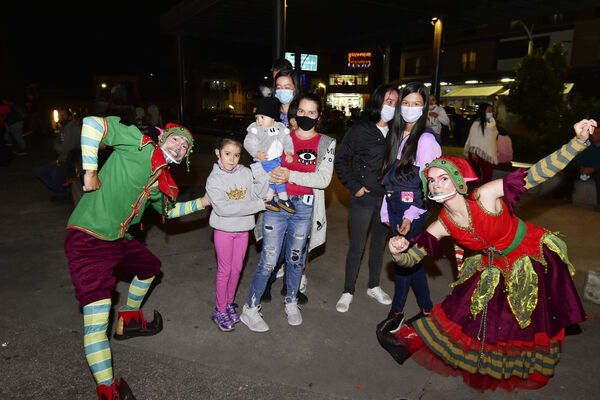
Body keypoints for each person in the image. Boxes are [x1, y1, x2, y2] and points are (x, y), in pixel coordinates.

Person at [377, 118, 595, 392]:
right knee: (477, 313)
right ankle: (479, 359)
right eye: (431, 181)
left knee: (525, 320)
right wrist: (397, 252)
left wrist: (576, 143)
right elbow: (412, 259)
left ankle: (525, 365)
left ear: (457, 180)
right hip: (492, 264)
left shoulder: (485, 195)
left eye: (443, 178)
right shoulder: (442, 224)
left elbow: (537, 173)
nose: (435, 185)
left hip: (527, 256)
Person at [64, 117, 210, 400]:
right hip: (87, 238)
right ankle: (108, 391)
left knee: (149, 267)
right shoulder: (137, 144)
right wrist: (90, 170)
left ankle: (129, 321)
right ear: (163, 138)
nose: (179, 146)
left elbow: (168, 212)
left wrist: (203, 203)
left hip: (116, 239)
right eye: (177, 139)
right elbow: (92, 123)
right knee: (97, 319)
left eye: (185, 147)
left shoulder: (161, 182)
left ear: (184, 159)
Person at [240, 93, 336, 332]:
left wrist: (290, 174)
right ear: (295, 114)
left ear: (318, 116)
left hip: (304, 207)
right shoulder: (280, 135)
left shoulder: (327, 143)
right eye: (301, 111)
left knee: (295, 258)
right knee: (269, 259)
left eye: (311, 112)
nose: (305, 116)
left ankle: (291, 301)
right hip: (276, 205)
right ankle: (250, 309)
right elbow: (260, 164)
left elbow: (323, 179)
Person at [378, 82, 442, 330]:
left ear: (424, 107)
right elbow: (390, 179)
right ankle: (428, 309)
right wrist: (387, 211)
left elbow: (428, 187)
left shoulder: (425, 140)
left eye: (417, 104)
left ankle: (397, 311)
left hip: (413, 211)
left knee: (404, 259)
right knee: (411, 261)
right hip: (395, 208)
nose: (410, 108)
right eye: (406, 103)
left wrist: (410, 215)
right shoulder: (396, 135)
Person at [333, 84, 399, 313]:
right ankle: (348, 290)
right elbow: (341, 161)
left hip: (387, 198)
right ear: (378, 102)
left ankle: (374, 286)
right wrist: (355, 186)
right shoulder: (360, 129)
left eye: (395, 102)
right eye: (388, 101)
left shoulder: (396, 132)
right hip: (364, 197)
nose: (392, 106)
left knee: (379, 245)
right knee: (357, 246)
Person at [206, 135, 269, 331]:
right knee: (224, 271)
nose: (232, 159)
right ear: (218, 153)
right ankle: (219, 310)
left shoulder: (245, 172)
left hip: (243, 231)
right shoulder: (214, 179)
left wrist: (261, 170)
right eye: (227, 154)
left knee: (236, 270)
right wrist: (256, 205)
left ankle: (228, 304)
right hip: (224, 231)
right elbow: (224, 209)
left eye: (236, 155)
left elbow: (259, 194)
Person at [243, 96, 294, 213]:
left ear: (273, 118)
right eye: (257, 118)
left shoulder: (280, 129)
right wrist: (256, 152)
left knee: (272, 179)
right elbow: (248, 142)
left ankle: (268, 198)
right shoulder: (255, 130)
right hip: (263, 161)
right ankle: (283, 198)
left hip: (276, 160)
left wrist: (289, 152)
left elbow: (287, 140)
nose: (259, 121)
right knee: (278, 176)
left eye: (262, 117)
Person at [36, 107, 82, 201]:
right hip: (63, 158)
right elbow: (58, 144)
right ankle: (62, 192)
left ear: (69, 117)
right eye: (59, 115)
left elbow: (64, 148)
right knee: (41, 171)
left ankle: (62, 193)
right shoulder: (64, 128)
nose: (61, 117)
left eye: (63, 115)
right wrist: (57, 146)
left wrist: (57, 146)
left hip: (71, 161)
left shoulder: (73, 129)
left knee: (54, 173)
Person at [560, 124, 600, 211]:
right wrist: (582, 167)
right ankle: (567, 197)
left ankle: (599, 204)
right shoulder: (588, 143)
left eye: (597, 133)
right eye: (593, 133)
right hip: (585, 169)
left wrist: (594, 169)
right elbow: (581, 157)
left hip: (597, 170)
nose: (593, 135)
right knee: (569, 173)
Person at [464, 103, 499, 184]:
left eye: (492, 111)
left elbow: (493, 140)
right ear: (483, 111)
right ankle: (472, 193)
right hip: (476, 153)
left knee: (488, 175)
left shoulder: (493, 124)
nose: (490, 112)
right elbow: (473, 139)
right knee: (474, 176)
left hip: (489, 154)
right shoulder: (477, 123)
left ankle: (485, 192)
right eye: (488, 110)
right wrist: (473, 153)